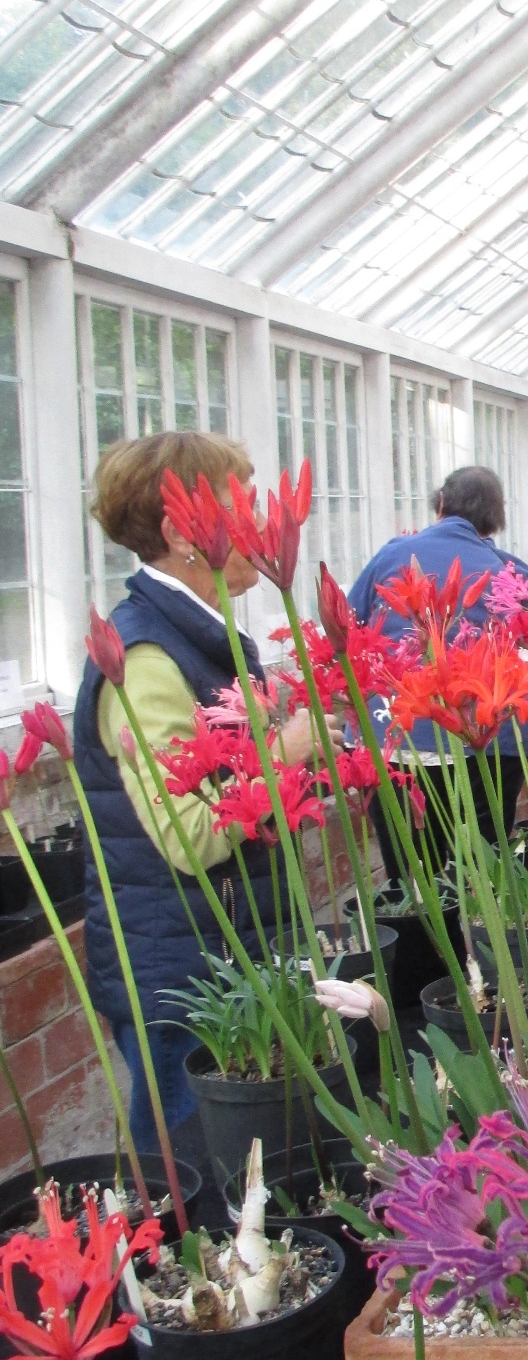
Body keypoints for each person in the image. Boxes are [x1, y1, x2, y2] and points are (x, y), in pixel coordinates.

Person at [74, 432, 318, 1156]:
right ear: (184, 531)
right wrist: (290, 752)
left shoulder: (200, 636)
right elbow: (188, 834)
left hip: (217, 952)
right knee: (198, 1180)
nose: (259, 522)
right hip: (181, 979)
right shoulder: (146, 656)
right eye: (240, 504)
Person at [349, 465, 528, 856]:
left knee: (412, 873)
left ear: (439, 503)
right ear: (495, 519)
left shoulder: (393, 554)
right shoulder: (513, 572)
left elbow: (349, 627)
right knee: (486, 872)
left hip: (398, 736)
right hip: (490, 742)